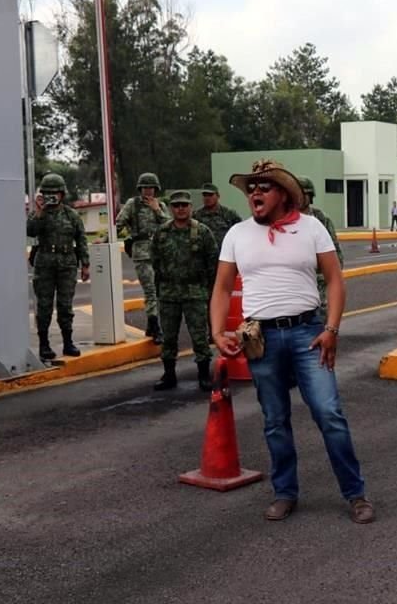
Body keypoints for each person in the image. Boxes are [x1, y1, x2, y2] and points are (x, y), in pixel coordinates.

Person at [210, 159, 373, 524]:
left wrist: (331, 330)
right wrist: (217, 332)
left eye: (264, 186)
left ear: (283, 194)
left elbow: (335, 280)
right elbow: (221, 287)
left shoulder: (312, 228)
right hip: (261, 339)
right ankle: (285, 492)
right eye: (251, 187)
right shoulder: (237, 234)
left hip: (307, 334)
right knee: (274, 420)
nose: (255, 192)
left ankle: (355, 494)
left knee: (329, 414)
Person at [150, 190, 218, 392]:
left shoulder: (203, 232)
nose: (180, 209)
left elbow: (213, 262)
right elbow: (155, 260)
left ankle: (204, 375)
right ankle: (169, 375)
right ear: (171, 208)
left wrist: (209, 289)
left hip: (195, 292)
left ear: (190, 207)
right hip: (169, 293)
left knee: (199, 336)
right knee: (169, 337)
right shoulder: (161, 233)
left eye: (184, 205)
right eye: (176, 205)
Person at [26, 173, 90, 360]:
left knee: (65, 305)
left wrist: (85, 264)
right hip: (45, 263)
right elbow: (30, 231)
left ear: (62, 194)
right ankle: (44, 345)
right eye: (48, 193)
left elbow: (82, 239)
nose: (52, 196)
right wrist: (39, 211)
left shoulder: (71, 215)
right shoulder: (38, 214)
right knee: (44, 305)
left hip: (67, 264)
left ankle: (68, 342)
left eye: (55, 193)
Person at [112, 172, 170, 344]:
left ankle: (152, 326)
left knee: (159, 290)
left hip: (159, 253)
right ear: (140, 189)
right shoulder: (132, 204)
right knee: (151, 290)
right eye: (145, 188)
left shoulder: (160, 205)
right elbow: (119, 223)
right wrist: (106, 239)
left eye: (151, 188)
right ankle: (155, 326)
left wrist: (157, 209)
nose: (148, 191)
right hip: (142, 253)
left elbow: (169, 226)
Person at [298, 176, 343, 311]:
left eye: (303, 194)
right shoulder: (285, 220)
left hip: (319, 286)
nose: (299, 198)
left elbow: (336, 255)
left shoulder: (320, 219)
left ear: (310, 196)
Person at [193, 182, 242, 252]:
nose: (207, 198)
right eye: (204, 195)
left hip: (224, 255)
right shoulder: (196, 215)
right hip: (204, 257)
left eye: (210, 195)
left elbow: (240, 232)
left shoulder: (229, 214)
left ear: (218, 196)